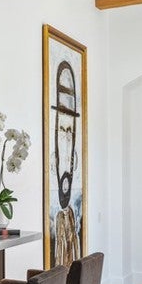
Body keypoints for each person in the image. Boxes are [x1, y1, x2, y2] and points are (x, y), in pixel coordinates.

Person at [52, 60, 82, 266]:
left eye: (70, 133)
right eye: (62, 132)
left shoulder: (71, 216)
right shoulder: (59, 218)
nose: (66, 141)